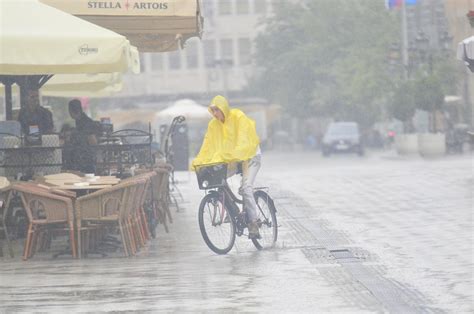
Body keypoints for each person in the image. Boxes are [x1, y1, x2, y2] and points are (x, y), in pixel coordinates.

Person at [192, 95, 262, 239]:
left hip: (250, 157)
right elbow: (207, 146)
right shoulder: (213, 125)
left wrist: (231, 155)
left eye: (217, 110)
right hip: (233, 159)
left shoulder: (238, 117)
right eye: (213, 111)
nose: (215, 113)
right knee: (217, 178)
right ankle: (233, 210)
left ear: (224, 108)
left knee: (246, 188)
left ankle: (254, 223)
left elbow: (244, 141)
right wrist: (199, 162)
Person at [67, 99, 101, 173]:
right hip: (82, 158)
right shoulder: (80, 121)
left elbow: (93, 141)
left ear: (71, 111)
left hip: (86, 159)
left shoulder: (86, 123)